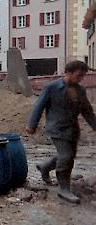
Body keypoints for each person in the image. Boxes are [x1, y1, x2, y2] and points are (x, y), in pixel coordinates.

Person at [26, 60, 96, 203]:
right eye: (78, 75)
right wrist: (32, 124)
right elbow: (39, 106)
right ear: (68, 73)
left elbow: (87, 111)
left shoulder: (80, 90)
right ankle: (64, 189)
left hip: (72, 129)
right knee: (66, 157)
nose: (81, 78)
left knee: (68, 155)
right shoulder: (51, 87)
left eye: (83, 76)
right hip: (56, 128)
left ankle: (45, 167)